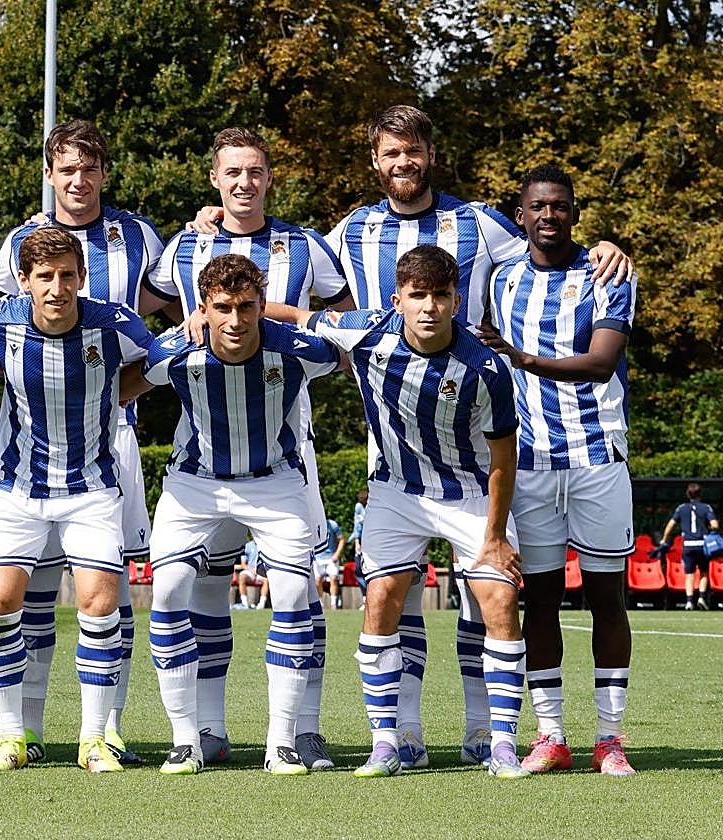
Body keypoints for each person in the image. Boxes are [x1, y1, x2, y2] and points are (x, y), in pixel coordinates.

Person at [194, 105, 632, 769]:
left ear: (430, 153)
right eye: (391, 154)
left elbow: (549, 247)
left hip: (472, 438)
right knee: (392, 598)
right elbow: (292, 293)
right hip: (391, 438)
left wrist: (601, 246)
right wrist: (211, 224)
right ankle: (402, 733)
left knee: (481, 590)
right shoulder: (348, 232)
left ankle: (487, 730)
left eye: (414, 151)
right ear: (376, 162)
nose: (404, 163)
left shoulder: (481, 224)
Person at [145, 126, 351, 770]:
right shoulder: (184, 244)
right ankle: (199, 732)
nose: (243, 182)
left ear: (268, 177)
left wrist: (287, 320)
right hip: (198, 456)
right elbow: (134, 313)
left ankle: (295, 732)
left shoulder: (304, 246)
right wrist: (182, 334)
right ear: (215, 178)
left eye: (255, 171)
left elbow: (348, 325)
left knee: (297, 595)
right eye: (231, 171)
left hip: (285, 447)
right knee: (186, 587)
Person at [301, 245, 529, 779]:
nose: (429, 307)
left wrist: (495, 537)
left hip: (468, 492)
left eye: (441, 295)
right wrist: (202, 313)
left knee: (499, 598)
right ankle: (387, 743)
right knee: (380, 597)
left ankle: (500, 743)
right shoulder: (365, 331)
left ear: (456, 300)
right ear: (398, 298)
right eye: (418, 295)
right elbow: (292, 314)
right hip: (395, 492)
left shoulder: (487, 367)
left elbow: (503, 458)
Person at [0, 119, 169, 765]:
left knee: (106, 596)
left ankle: (104, 729)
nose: (79, 180)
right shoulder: (18, 246)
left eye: (89, 168)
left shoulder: (139, 235)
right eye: (67, 169)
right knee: (19, 600)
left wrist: (113, 393)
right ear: (50, 174)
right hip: (27, 449)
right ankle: (21, 730)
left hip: (108, 442)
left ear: (104, 172)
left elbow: (173, 313)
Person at [481, 165, 639, 776]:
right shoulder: (502, 277)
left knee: (606, 597)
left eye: (561, 206)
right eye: (538, 206)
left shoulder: (608, 274)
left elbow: (602, 363)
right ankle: (550, 736)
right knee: (539, 600)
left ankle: (609, 737)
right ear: (520, 215)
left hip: (598, 456)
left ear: (575, 212)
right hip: (530, 463)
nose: (549, 215)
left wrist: (523, 359)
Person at [660, 484, 719, 610]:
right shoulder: (706, 507)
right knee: (704, 572)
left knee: (689, 574)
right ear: (700, 494)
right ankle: (702, 598)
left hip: (688, 545)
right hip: (702, 545)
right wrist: (708, 528)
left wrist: (664, 539)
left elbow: (670, 525)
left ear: (688, 494)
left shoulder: (681, 508)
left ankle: (689, 601)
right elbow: (715, 524)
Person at [314, 518, 348, 608]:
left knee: (333, 579)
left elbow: (342, 539)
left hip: (331, 557)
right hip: (318, 557)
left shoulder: (332, 524)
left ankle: (334, 604)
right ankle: (319, 605)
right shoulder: (313, 523)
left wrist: (337, 554)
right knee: (317, 581)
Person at [236, 540, 270, 610]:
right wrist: (251, 570)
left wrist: (259, 570)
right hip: (250, 570)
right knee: (242, 577)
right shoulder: (247, 545)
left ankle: (261, 604)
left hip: (261, 571)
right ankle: (245, 604)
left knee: (266, 580)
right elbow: (243, 564)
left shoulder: (265, 544)